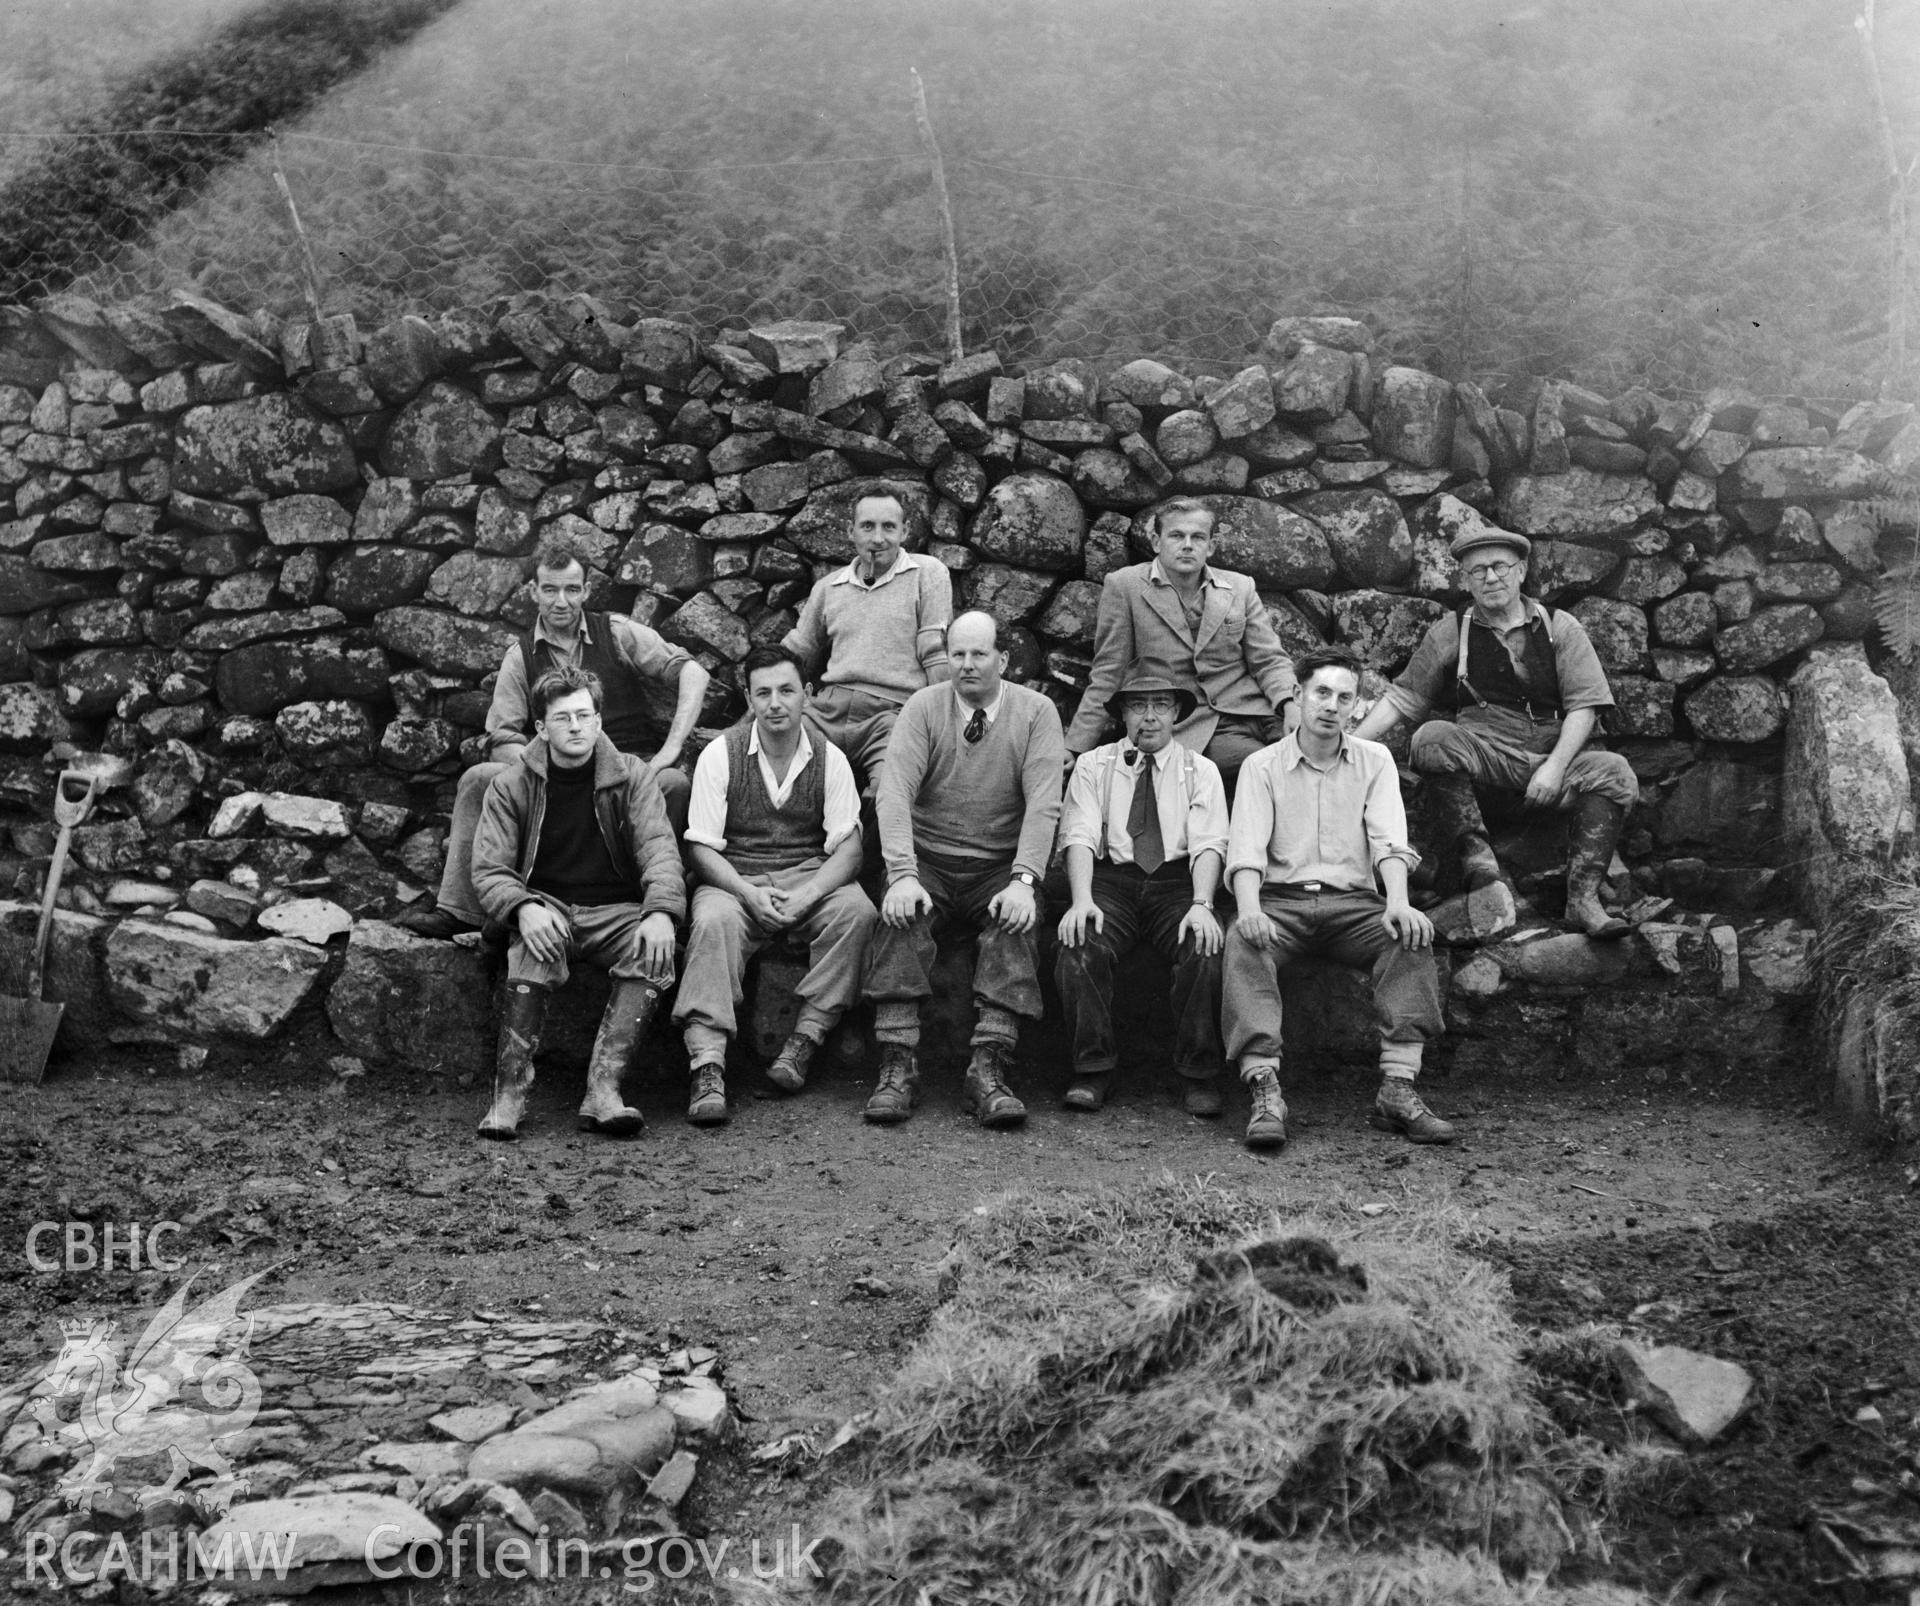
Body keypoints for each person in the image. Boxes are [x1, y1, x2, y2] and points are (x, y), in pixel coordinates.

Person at [399, 531, 710, 938]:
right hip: (554, 773)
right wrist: (545, 767)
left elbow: (693, 672)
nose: (560, 601)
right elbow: (502, 736)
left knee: (673, 783)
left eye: (570, 590)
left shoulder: (616, 633)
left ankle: (651, 906)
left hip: (625, 776)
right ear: (534, 591)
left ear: (585, 590)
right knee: (478, 779)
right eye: (550, 590)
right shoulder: (521, 656)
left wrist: (670, 748)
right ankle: (461, 910)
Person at [1349, 524, 1639, 938]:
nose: (1490, 577)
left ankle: (1584, 899)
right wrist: (1347, 745)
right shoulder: (1452, 631)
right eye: (1477, 570)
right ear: (1466, 580)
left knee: (1615, 771)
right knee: (1432, 737)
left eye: (1500, 566)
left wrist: (1555, 768)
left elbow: (1584, 707)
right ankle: (1480, 865)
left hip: (1549, 766)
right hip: (1486, 761)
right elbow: (1403, 699)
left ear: (1521, 571)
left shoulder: (1560, 627)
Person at [1221, 645, 1451, 1153]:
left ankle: (1398, 1088)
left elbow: (1390, 841)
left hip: (1355, 907)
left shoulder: (1375, 761)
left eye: (1345, 697)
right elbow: (1246, 851)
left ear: (1356, 707)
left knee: (1408, 937)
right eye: (1321, 693)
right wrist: (1252, 909)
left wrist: (1397, 901)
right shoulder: (1262, 766)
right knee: (1242, 939)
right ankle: (1264, 1090)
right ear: (1300, 696)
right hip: (1282, 903)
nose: (1331, 705)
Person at [859, 610, 1065, 1128]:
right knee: (900, 916)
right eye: (957, 654)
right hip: (929, 859)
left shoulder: (1036, 712)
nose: (967, 665)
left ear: (1003, 658)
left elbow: (1044, 803)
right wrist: (902, 872)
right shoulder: (924, 707)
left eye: (979, 654)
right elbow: (894, 790)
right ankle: (897, 1064)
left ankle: (989, 1066)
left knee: (1015, 922)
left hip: (998, 865)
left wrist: (1023, 881)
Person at [468, 667, 685, 1141]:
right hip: (546, 906)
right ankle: (509, 1093)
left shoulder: (633, 775)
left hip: (615, 911)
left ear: (599, 721)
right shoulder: (512, 784)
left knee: (653, 949)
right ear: (542, 728)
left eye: (585, 715)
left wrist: (662, 912)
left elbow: (660, 851)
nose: (575, 727)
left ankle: (604, 1090)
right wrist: (523, 908)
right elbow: (489, 869)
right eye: (562, 718)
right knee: (529, 946)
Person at [672, 645, 878, 1125]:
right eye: (762, 693)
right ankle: (707, 1065)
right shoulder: (720, 754)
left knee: (857, 913)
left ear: (807, 694)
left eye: (786, 690)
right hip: (735, 876)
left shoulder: (831, 759)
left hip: (806, 873)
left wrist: (809, 894)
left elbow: (848, 848)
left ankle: (804, 1040)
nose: (775, 703)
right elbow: (701, 849)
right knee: (712, 920)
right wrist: (746, 894)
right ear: (749, 696)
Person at [1054, 658, 1230, 1115]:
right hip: (1113, 880)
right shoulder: (1096, 765)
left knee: (1205, 945)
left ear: (1176, 714)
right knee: (1079, 941)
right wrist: (1081, 900)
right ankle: (1092, 1069)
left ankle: (1198, 1074)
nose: (1149, 716)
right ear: (1123, 715)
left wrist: (1201, 903)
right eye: (1137, 706)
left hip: (1177, 883)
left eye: (1160, 705)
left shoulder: (1199, 769)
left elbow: (1210, 842)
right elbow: (1079, 834)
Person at [1064, 496, 1297, 793]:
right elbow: (1108, 673)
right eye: (1176, 535)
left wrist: (1290, 705)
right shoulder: (1126, 587)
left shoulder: (1240, 587)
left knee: (1315, 752)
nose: (1187, 544)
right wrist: (1074, 747)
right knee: (1265, 766)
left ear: (1210, 546)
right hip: (1191, 725)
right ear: (1156, 542)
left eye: (1198, 537)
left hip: (1257, 711)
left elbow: (1269, 660)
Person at [781, 488, 953, 794]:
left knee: (891, 793)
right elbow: (795, 654)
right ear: (851, 531)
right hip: (826, 713)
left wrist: (942, 725)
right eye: (867, 526)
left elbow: (935, 654)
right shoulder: (828, 587)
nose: (878, 539)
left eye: (889, 527)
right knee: (779, 773)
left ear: (905, 531)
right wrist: (749, 719)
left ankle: (866, 841)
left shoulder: (927, 573)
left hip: (894, 715)